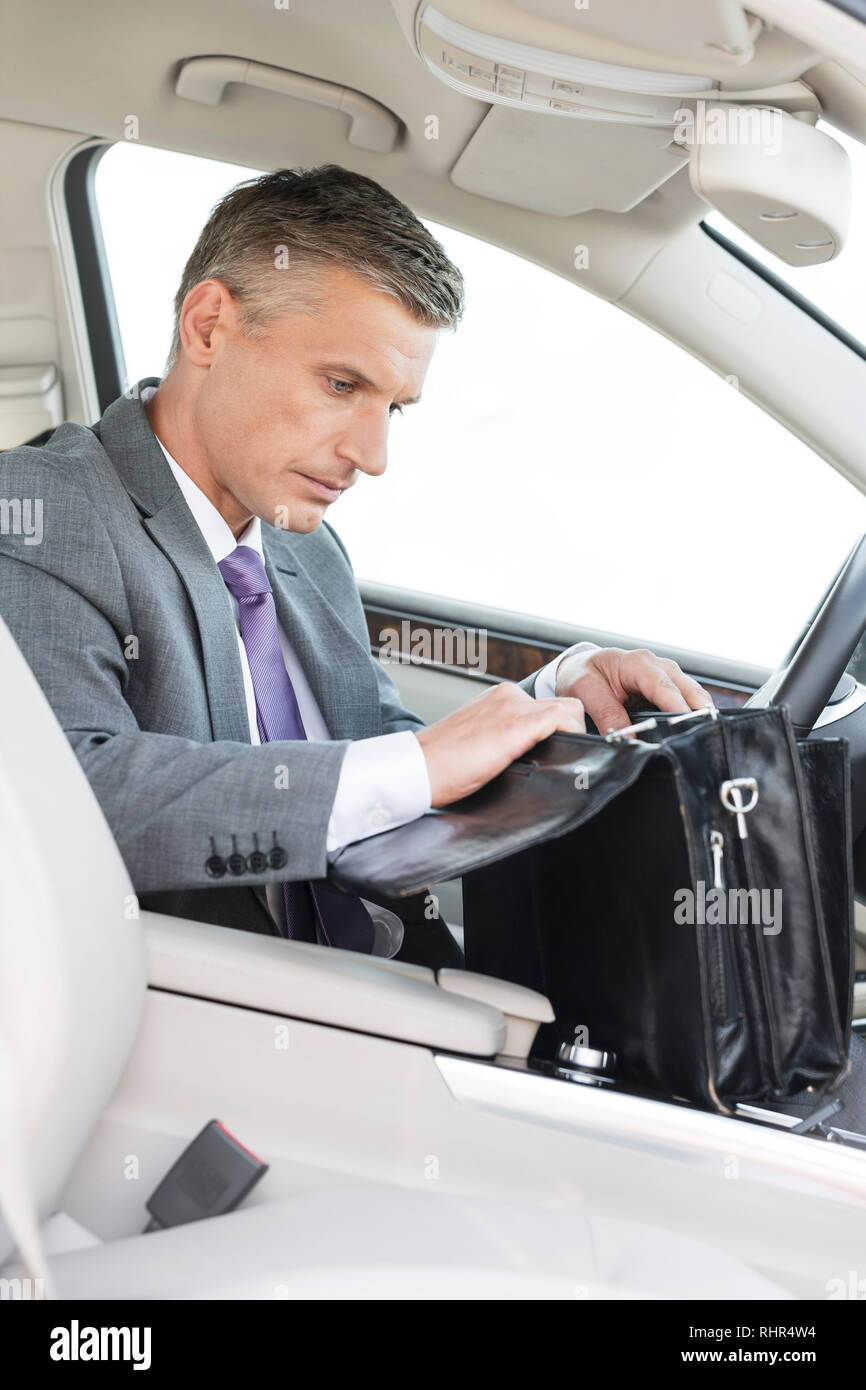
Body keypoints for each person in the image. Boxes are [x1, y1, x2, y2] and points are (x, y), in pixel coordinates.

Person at [0, 164, 712, 968]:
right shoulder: (42, 511)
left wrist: (547, 704)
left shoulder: (304, 546)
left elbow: (378, 753)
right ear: (208, 328)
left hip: (402, 983)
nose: (371, 457)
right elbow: (73, 796)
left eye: (393, 408)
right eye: (342, 385)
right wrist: (415, 764)